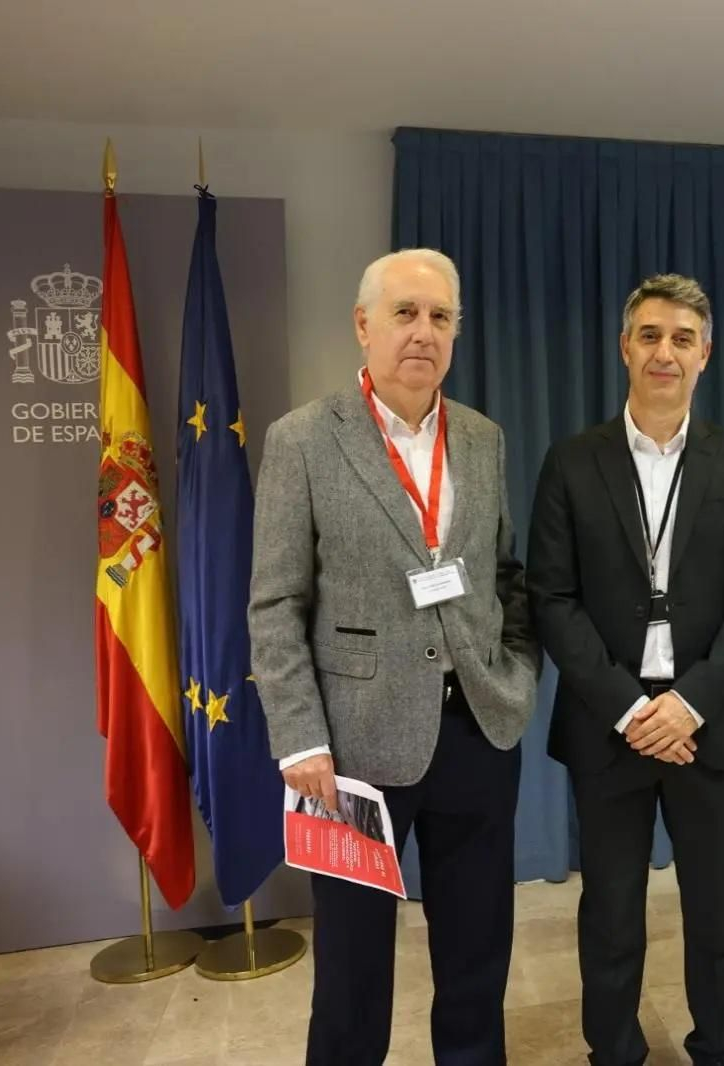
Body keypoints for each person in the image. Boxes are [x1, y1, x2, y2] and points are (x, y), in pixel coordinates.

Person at [249, 248, 539, 1066]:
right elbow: (276, 602)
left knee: (478, 954)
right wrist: (300, 738)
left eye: (440, 317)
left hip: (477, 730)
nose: (423, 332)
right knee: (350, 968)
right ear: (363, 325)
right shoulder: (302, 439)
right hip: (348, 754)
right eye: (406, 313)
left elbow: (504, 575)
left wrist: (514, 675)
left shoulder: (483, 439)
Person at [527, 274, 724, 1066]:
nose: (663, 352)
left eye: (681, 338)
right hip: (610, 730)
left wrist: (688, 705)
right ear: (624, 348)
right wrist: (633, 710)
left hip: (708, 724)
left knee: (716, 914)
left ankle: (718, 1049)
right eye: (649, 335)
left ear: (704, 354)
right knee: (609, 913)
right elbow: (551, 598)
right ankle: (614, 1051)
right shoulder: (572, 462)